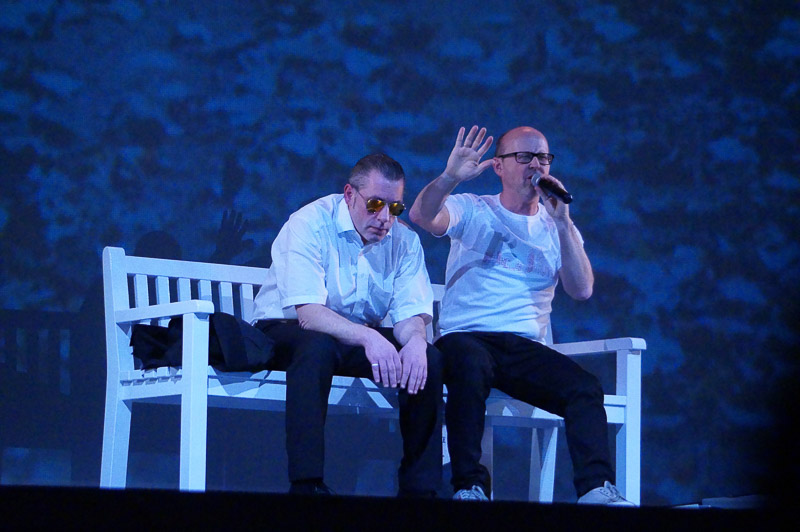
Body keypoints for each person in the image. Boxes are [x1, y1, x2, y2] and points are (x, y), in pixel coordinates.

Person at [409, 125, 634, 506]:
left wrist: (562, 222)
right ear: (499, 166)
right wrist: (449, 177)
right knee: (469, 367)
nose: (536, 165)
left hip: (524, 348)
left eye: (543, 157)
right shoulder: (474, 208)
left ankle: (596, 488)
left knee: (584, 388)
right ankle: (470, 486)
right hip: (468, 337)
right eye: (525, 157)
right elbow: (421, 215)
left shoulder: (556, 226)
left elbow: (581, 289)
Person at [251, 153, 443, 497]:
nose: (385, 218)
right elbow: (309, 314)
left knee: (427, 357)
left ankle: (421, 490)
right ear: (349, 194)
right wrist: (369, 338)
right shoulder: (310, 222)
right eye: (375, 204)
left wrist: (416, 341)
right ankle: (307, 484)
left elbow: (409, 314)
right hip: (287, 330)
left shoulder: (404, 240)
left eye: (395, 208)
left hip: (353, 338)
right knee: (317, 348)